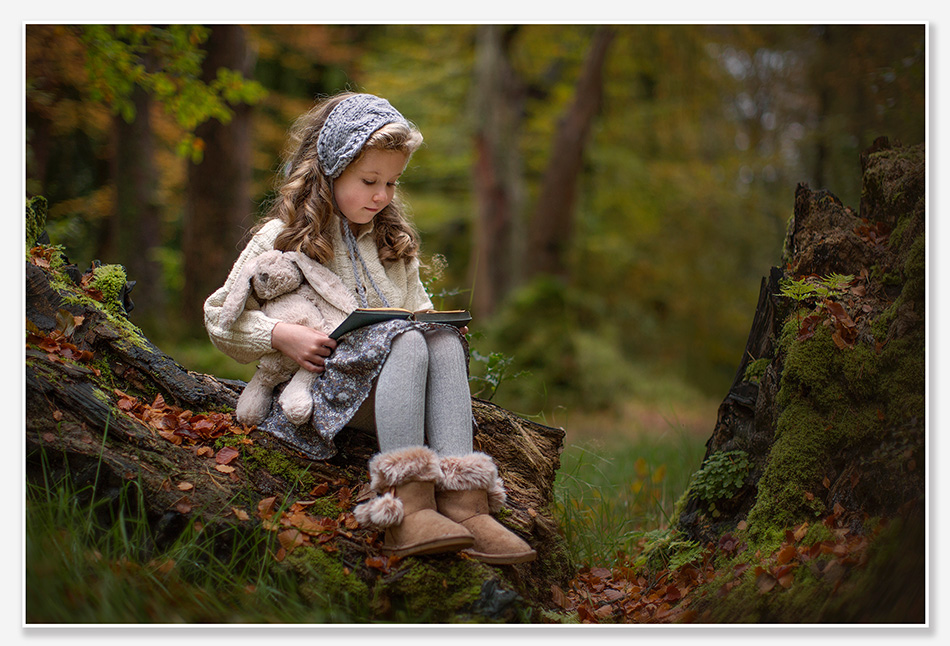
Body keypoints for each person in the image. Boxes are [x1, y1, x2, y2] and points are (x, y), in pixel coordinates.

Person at [204, 92, 535, 564]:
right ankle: (405, 507)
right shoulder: (283, 233)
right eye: (369, 181)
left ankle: (466, 505)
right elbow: (219, 319)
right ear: (332, 170)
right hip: (317, 391)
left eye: (393, 183)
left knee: (437, 339)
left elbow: (417, 310)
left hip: (387, 387)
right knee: (404, 340)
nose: (382, 196)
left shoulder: (390, 239)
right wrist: (281, 336)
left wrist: (435, 323)